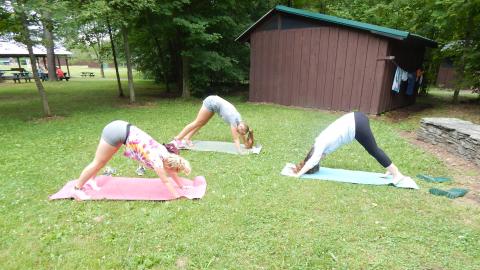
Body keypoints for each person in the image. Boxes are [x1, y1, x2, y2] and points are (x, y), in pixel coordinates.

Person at [74, 120, 191, 198]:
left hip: (123, 131)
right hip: (115, 131)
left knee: (103, 161)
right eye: (176, 171)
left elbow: (173, 172)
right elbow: (166, 181)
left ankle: (91, 179)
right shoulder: (158, 162)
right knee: (98, 162)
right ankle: (77, 189)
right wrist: (177, 196)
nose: (175, 174)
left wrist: (181, 185)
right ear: (170, 166)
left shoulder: (168, 155)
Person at [293, 112, 411, 184]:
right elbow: (315, 158)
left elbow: (312, 161)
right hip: (355, 121)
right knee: (373, 150)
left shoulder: (319, 144)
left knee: (374, 150)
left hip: (356, 124)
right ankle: (391, 169)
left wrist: (299, 174)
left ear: (312, 155)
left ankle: (397, 175)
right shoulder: (320, 143)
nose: (320, 160)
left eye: (317, 160)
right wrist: (304, 165)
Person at [172, 95, 254, 153]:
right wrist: (240, 151)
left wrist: (246, 144)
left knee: (202, 123)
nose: (239, 133)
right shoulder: (234, 121)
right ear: (240, 128)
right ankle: (178, 138)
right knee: (197, 122)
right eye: (240, 132)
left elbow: (242, 134)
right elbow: (236, 139)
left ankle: (187, 138)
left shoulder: (240, 122)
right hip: (211, 102)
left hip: (215, 105)